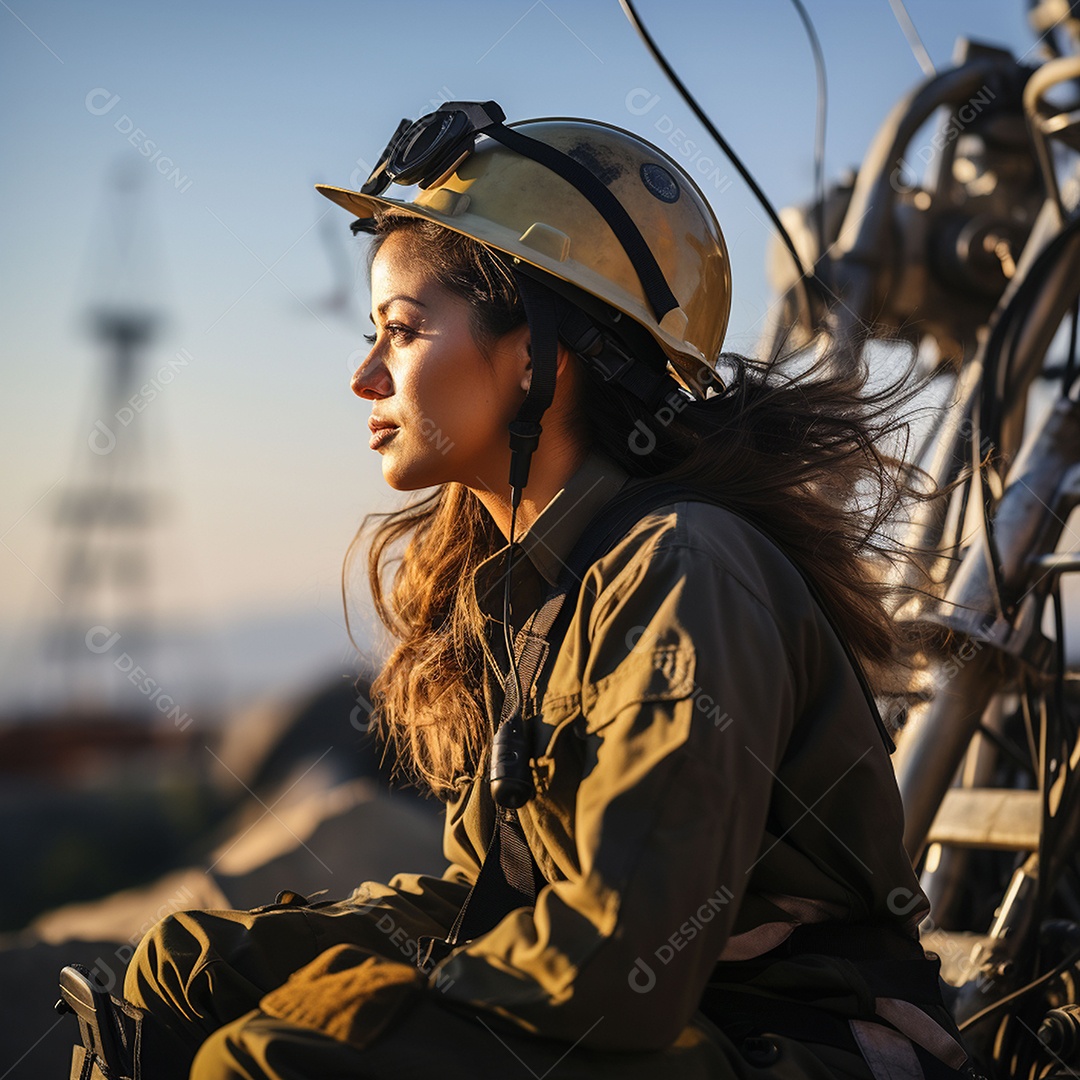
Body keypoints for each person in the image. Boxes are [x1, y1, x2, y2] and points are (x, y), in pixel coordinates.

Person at [65, 102, 974, 1080]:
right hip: (657, 1011)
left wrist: (361, 1003)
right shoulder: (527, 587)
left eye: (402, 332)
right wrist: (315, 957)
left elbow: (623, 961)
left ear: (540, 352)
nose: (366, 377)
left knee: (267, 1061)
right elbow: (496, 896)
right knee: (182, 973)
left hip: (767, 1037)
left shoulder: (681, 568)